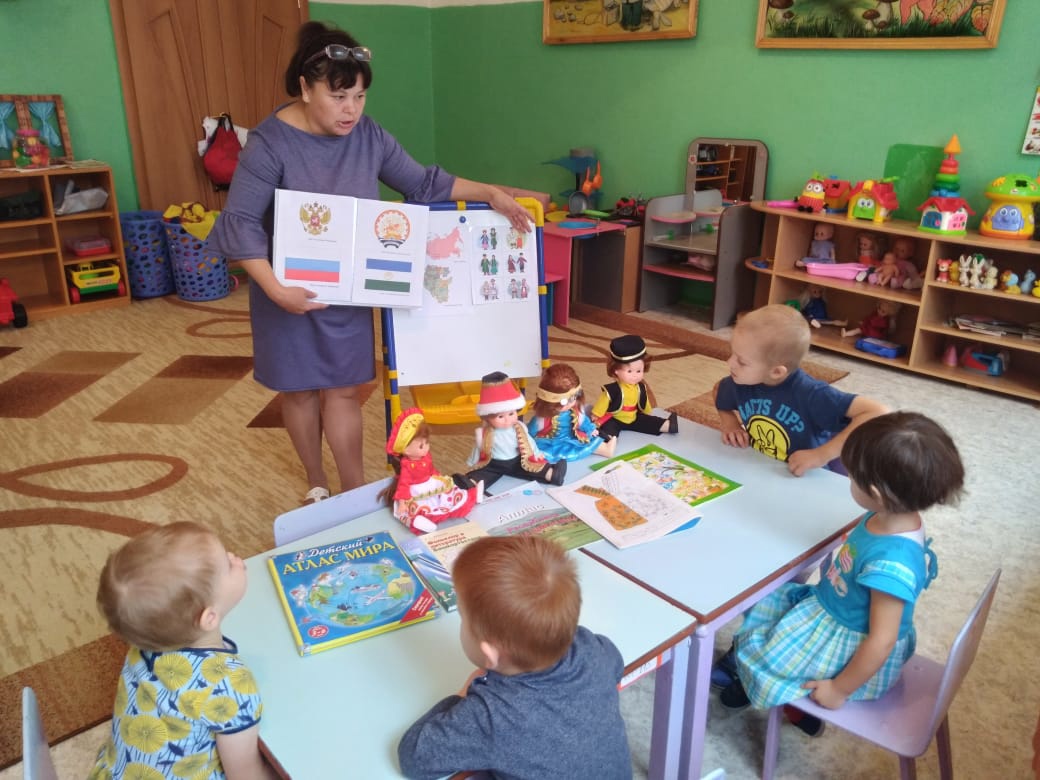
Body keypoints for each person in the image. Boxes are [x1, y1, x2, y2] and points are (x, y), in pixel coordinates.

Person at [210, 21, 548, 505]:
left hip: (347, 290)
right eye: (338, 97)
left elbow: (424, 182)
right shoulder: (269, 143)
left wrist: (491, 192)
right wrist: (277, 290)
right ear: (305, 88)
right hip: (283, 287)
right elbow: (240, 222)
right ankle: (316, 481)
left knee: (344, 389)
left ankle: (353, 492)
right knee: (299, 390)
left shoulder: (367, 136)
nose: (350, 110)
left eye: (359, 97)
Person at [718, 412, 965, 739]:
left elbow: (882, 639)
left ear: (876, 492)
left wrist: (839, 689)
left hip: (850, 644)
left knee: (761, 652)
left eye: (851, 477)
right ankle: (790, 698)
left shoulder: (893, 563)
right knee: (766, 609)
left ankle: (786, 698)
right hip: (833, 607)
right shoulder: (891, 515)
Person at [397, 535, 631, 779]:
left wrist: (462, 696)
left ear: (489, 655)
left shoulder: (491, 717)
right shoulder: (591, 647)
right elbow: (615, 664)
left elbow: (413, 759)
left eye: (463, 618)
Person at [88, 522, 275, 780]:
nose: (235, 558)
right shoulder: (232, 687)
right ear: (209, 618)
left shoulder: (145, 643)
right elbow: (246, 776)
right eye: (227, 564)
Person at [715, 304, 887, 476]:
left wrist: (822, 455)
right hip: (762, 468)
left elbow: (877, 412)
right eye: (733, 353)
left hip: (807, 478)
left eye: (742, 361)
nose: (729, 362)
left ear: (776, 372)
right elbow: (719, 391)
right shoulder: (741, 381)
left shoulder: (812, 394)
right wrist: (730, 424)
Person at [381, 406, 482, 534]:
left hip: (431, 483)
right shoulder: (407, 466)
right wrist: (402, 502)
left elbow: (431, 470)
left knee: (450, 494)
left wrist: (439, 478)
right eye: (421, 446)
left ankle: (472, 496)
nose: (426, 448)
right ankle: (419, 521)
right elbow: (403, 484)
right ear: (406, 450)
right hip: (417, 491)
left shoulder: (426, 457)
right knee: (418, 508)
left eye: (427, 442)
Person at [466, 371, 566, 490]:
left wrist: (536, 453)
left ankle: (553, 474)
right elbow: (478, 449)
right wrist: (472, 462)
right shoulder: (484, 433)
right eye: (500, 416)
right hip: (493, 464)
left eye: (511, 414)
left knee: (533, 469)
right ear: (487, 417)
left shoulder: (519, 427)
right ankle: (470, 484)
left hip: (517, 461)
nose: (507, 419)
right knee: (480, 476)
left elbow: (529, 442)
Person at [590, 334, 678, 440]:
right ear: (616, 370)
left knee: (648, 421)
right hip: (615, 418)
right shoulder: (611, 390)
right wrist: (596, 414)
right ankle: (608, 438)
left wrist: (647, 412)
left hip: (633, 417)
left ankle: (668, 425)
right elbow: (602, 403)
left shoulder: (640, 387)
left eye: (639, 371)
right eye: (629, 371)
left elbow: (644, 402)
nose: (635, 375)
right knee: (609, 427)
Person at [527, 362, 617, 461]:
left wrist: (590, 429)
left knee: (589, 442)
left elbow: (583, 422)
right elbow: (530, 431)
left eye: (573, 398)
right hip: (551, 442)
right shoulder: (542, 419)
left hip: (572, 437)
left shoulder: (576, 411)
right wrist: (527, 441)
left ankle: (606, 449)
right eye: (563, 402)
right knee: (541, 452)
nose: (569, 404)